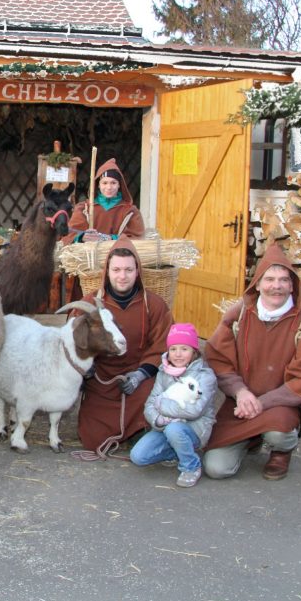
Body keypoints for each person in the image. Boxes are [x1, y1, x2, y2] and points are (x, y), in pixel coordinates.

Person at [202, 244, 301, 481]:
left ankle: (282, 449)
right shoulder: (238, 315)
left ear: (292, 286)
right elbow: (218, 358)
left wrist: (261, 402)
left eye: (283, 280)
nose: (276, 286)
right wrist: (239, 392)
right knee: (216, 469)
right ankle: (252, 439)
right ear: (257, 284)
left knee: (278, 433)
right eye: (269, 279)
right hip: (240, 402)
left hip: (280, 404)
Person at [75, 238, 173, 453]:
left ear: (137, 271)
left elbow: (162, 345)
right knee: (93, 440)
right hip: (101, 381)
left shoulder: (154, 305)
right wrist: (86, 367)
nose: (122, 276)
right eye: (116, 269)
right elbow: (73, 342)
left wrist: (140, 375)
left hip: (139, 380)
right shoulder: (89, 304)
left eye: (128, 270)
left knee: (147, 414)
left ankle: (141, 432)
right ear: (107, 271)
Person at [130, 323, 218, 488]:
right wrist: (157, 420)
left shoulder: (204, 376)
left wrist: (161, 404)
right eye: (173, 349)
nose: (178, 354)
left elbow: (194, 410)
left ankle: (191, 466)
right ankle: (179, 451)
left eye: (184, 349)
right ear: (168, 351)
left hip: (194, 429)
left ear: (194, 352)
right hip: (165, 427)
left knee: (174, 429)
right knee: (139, 457)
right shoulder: (163, 372)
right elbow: (150, 403)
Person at [63, 158, 145, 244]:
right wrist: (81, 237)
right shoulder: (84, 209)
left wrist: (110, 238)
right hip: (88, 256)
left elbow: (138, 238)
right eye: (104, 183)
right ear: (98, 185)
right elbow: (69, 234)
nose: (109, 187)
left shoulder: (130, 211)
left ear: (119, 185)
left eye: (113, 183)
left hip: (118, 255)